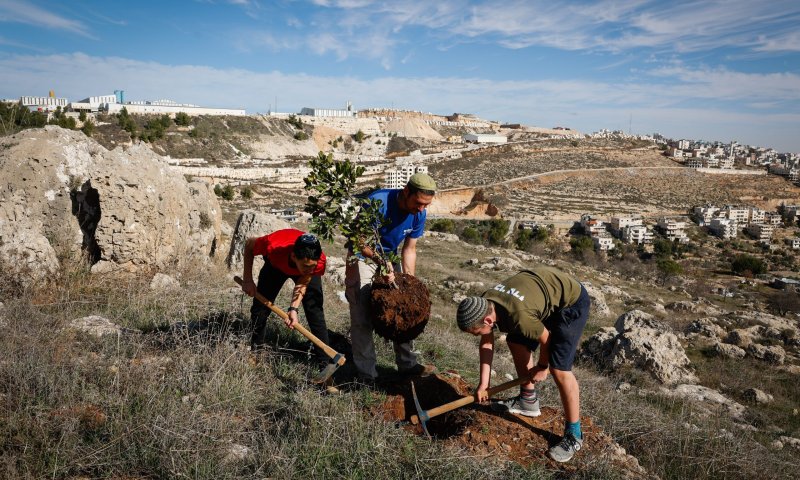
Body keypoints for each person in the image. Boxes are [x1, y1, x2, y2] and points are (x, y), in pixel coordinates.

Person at [455, 266, 591, 463]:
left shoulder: (519, 316)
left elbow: (546, 339)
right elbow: (486, 342)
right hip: (541, 296)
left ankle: (574, 435)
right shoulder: (484, 302)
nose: (477, 336)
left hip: (571, 301)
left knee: (559, 369)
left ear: (488, 320)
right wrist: (484, 384)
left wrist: (542, 366)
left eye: (476, 332)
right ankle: (528, 400)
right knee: (516, 341)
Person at [345, 172, 439, 382]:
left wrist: (408, 283)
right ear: (406, 192)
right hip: (362, 257)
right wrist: (380, 262)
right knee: (361, 315)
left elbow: (409, 249)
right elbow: (359, 241)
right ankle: (367, 374)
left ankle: (407, 364)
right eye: (418, 202)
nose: (421, 208)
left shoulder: (419, 213)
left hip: (389, 257)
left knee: (406, 307)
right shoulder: (377, 202)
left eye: (426, 205)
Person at [240, 228, 330, 363]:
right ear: (293, 256)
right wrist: (247, 280)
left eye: (312, 266)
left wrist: (293, 308)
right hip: (276, 266)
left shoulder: (318, 261)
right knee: (260, 310)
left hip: (298, 269)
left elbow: (304, 279)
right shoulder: (273, 245)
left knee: (315, 311)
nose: (310, 269)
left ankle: (325, 362)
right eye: (306, 266)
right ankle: (256, 354)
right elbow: (249, 245)